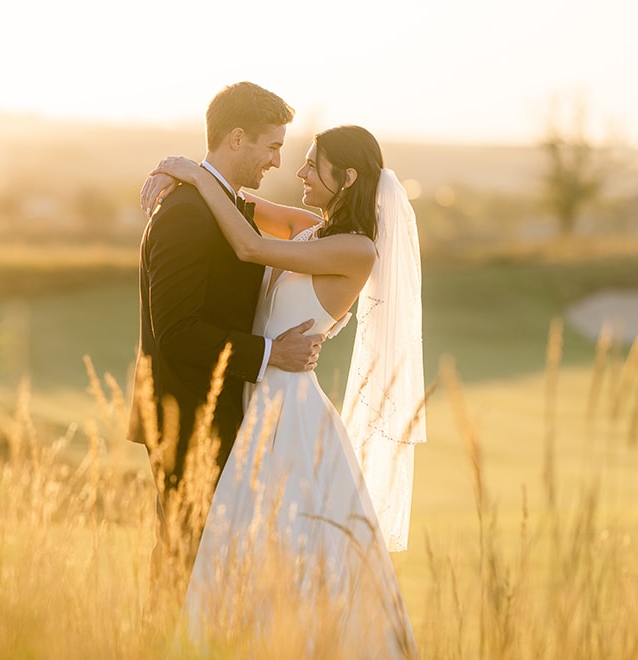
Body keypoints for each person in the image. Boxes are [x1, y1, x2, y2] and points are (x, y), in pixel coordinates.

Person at [140, 125, 426, 657]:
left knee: (280, 547)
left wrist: (189, 173)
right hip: (255, 398)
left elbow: (248, 245)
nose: (297, 171)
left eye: (311, 164)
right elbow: (236, 200)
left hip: (288, 413)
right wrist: (178, 173)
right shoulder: (313, 229)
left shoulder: (357, 250)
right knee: (237, 548)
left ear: (347, 177)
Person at [127, 82, 326, 596]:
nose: (278, 161)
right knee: (184, 567)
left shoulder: (221, 203)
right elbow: (176, 331)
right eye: (273, 146)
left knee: (211, 572)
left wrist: (193, 171)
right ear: (237, 139)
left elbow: (312, 229)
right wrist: (269, 353)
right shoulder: (187, 215)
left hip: (218, 417)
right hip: (187, 420)